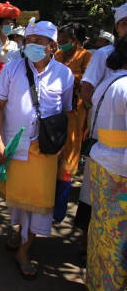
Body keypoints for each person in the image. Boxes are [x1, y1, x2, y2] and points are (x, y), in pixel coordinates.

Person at [0, 19, 74, 278]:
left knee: (37, 202)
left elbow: (67, 113)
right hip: (15, 146)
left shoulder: (65, 74)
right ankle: (19, 235)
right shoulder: (12, 70)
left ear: (53, 46)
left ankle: (24, 250)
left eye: (40, 41)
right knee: (19, 202)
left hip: (46, 150)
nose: (34, 45)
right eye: (30, 40)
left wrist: (66, 155)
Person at [86, 36, 127, 291]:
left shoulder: (109, 83)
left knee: (101, 228)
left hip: (103, 160)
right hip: (120, 168)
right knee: (117, 238)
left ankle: (97, 287)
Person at [55, 23, 91, 199]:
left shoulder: (86, 56)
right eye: (59, 41)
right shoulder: (57, 55)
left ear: (75, 40)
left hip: (75, 112)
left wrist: (68, 78)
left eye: (64, 41)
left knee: (70, 151)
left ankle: (63, 194)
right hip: (55, 109)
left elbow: (87, 81)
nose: (61, 44)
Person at [81, 3, 127, 106]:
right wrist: (105, 112)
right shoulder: (103, 54)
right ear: (117, 27)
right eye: (125, 23)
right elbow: (87, 90)